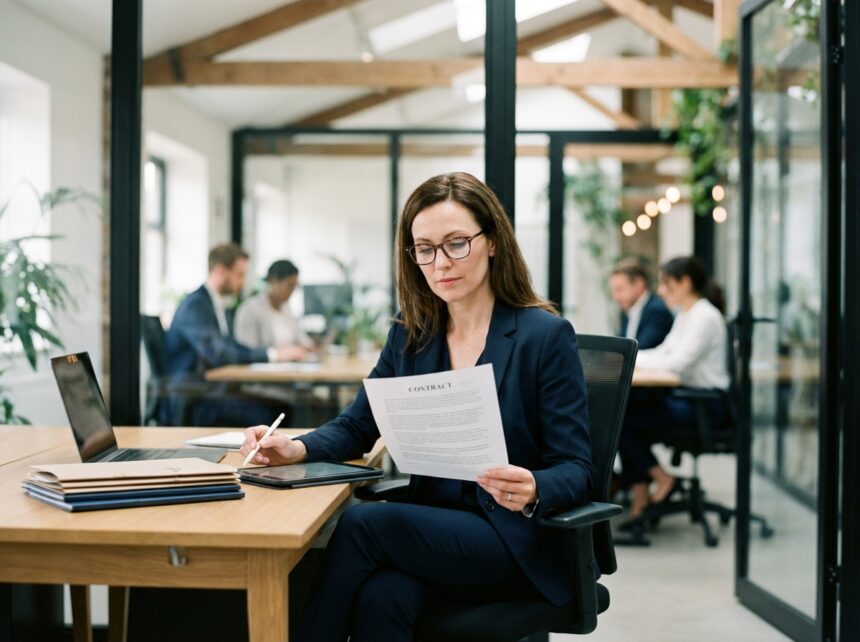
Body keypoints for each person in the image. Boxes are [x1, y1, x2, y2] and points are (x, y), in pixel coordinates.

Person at [240, 172, 592, 642]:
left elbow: (578, 468)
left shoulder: (543, 337)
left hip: (511, 542)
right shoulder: (411, 336)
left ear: (492, 243)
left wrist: (534, 485)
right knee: (382, 599)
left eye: (456, 243)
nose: (440, 262)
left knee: (365, 524)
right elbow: (357, 426)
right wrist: (296, 449)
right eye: (424, 248)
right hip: (434, 532)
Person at [618, 256, 730, 521]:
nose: (661, 291)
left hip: (705, 404)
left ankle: (662, 479)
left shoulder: (704, 317)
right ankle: (648, 485)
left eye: (666, 284)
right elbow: (663, 352)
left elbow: (678, 363)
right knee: (626, 413)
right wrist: (625, 358)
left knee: (624, 422)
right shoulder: (687, 314)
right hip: (689, 399)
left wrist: (630, 360)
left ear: (685, 283)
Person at [164, 243, 297, 427]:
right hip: (195, 398)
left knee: (283, 405)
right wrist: (271, 354)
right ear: (220, 271)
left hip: (210, 391)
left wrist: (270, 353)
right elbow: (217, 353)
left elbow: (230, 345)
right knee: (276, 411)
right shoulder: (195, 305)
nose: (243, 282)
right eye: (240, 275)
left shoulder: (213, 304)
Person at [234, 259, 315, 358]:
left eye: (295, 287)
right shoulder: (250, 309)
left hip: (289, 367)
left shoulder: (286, 308)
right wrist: (278, 354)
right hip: (263, 370)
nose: (292, 292)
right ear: (273, 280)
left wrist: (308, 347)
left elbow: (300, 337)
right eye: (289, 286)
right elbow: (247, 351)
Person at [609, 259, 674, 349]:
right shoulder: (626, 310)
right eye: (614, 290)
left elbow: (640, 350)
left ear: (639, 284)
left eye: (620, 289)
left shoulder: (656, 311)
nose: (615, 296)